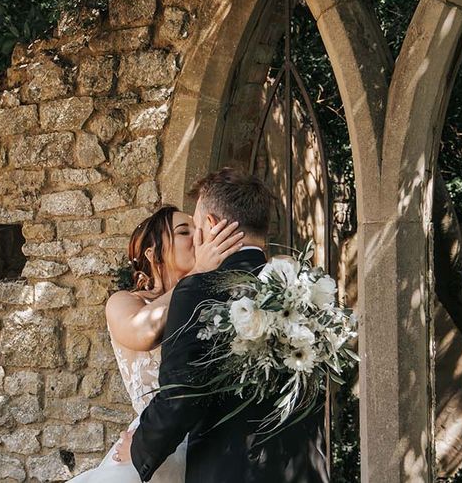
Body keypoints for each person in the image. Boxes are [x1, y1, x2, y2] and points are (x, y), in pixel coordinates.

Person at [115, 168, 330, 483]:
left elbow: (183, 394)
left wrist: (140, 450)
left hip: (231, 471)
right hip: (305, 470)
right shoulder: (303, 290)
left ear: (212, 225)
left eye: (197, 223)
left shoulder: (199, 290)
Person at [67, 204, 246, 482]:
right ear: (153, 254)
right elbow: (144, 333)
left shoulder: (213, 297)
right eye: (183, 231)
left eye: (197, 228)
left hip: (214, 446)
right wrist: (197, 273)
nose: (196, 236)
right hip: (154, 450)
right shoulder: (125, 302)